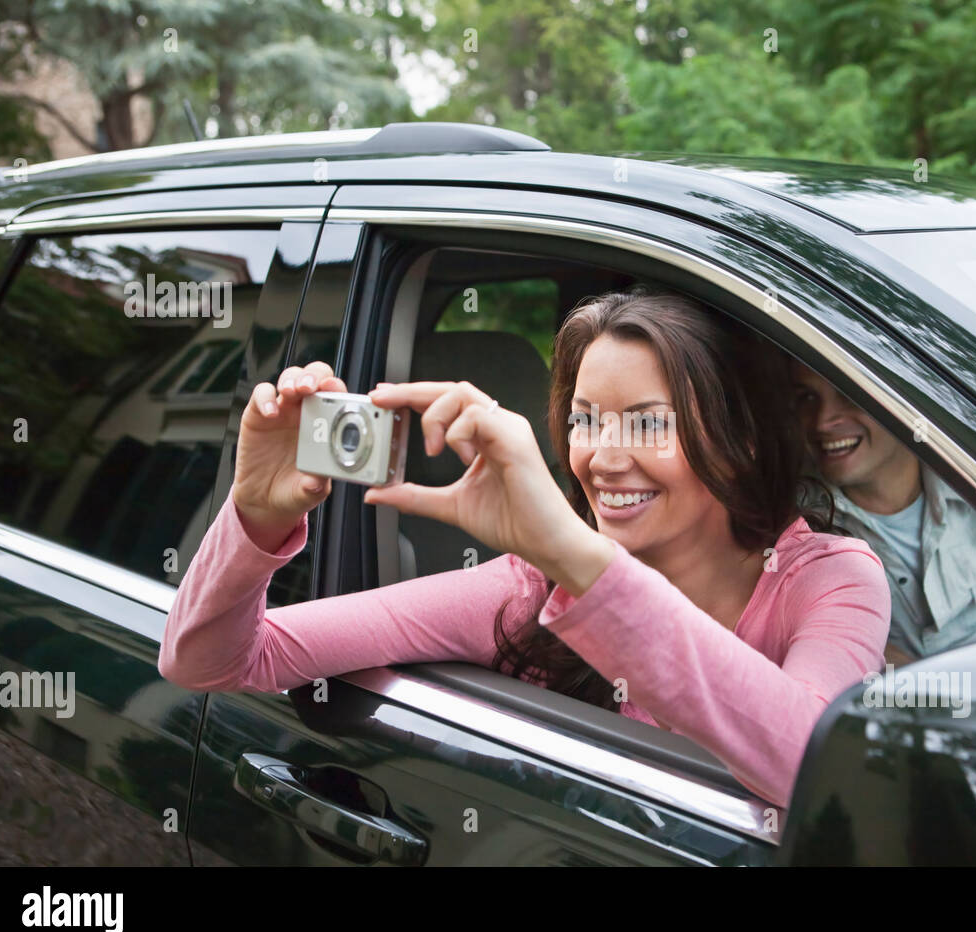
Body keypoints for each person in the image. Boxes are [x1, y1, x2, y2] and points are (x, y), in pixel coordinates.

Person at [160, 289, 891, 808]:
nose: (602, 458)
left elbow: (811, 764)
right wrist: (254, 517)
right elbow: (214, 659)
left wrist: (575, 556)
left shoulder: (826, 578)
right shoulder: (524, 588)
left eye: (644, 424)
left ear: (741, 442)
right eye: (583, 421)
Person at [790, 361, 976, 666]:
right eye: (807, 398)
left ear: (901, 399)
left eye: (848, 394)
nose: (823, 421)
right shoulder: (793, 528)